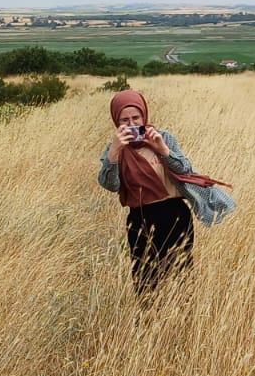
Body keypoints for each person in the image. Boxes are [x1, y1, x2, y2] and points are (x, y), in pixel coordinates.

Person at [97, 90, 234, 295]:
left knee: (180, 275)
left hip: (175, 214)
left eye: (136, 117)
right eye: (124, 120)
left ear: (144, 115)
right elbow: (111, 185)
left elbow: (185, 169)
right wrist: (114, 153)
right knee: (145, 279)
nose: (132, 124)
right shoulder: (114, 148)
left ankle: (180, 320)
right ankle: (150, 321)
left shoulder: (163, 137)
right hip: (140, 218)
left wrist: (162, 149)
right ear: (116, 122)